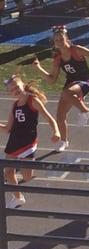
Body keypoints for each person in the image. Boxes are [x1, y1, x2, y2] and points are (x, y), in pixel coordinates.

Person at [32, 25, 89, 152]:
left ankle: (85, 111)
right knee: (60, 115)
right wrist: (38, 68)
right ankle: (64, 141)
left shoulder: (76, 50)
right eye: (56, 40)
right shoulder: (57, 58)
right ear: (54, 43)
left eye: (61, 39)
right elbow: (51, 80)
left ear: (66, 38)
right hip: (71, 85)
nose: (59, 42)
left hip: (85, 82)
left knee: (66, 93)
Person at [0, 75, 60, 209]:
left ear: (23, 85)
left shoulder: (33, 101)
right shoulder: (14, 105)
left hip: (28, 142)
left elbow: (50, 118)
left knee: (27, 177)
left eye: (17, 87)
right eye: (12, 90)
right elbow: (7, 129)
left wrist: (56, 131)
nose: (15, 91)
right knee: (8, 172)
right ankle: (18, 197)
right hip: (14, 141)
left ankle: (22, 178)